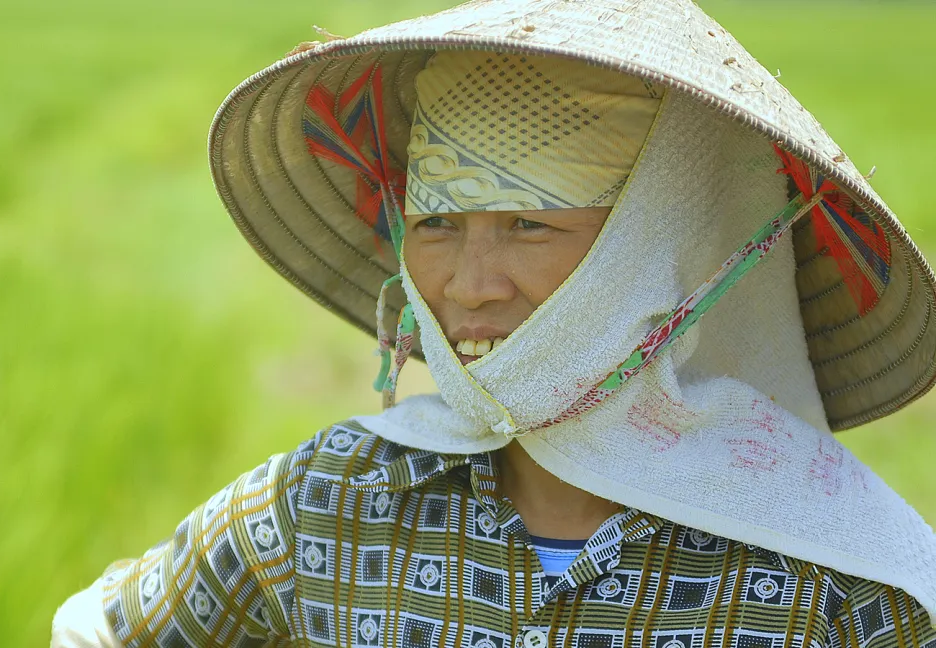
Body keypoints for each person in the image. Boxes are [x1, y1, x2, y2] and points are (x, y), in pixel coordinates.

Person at [52, 0, 936, 646]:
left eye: (530, 225)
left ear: (665, 244)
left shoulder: (839, 588)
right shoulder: (331, 504)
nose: (469, 286)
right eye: (437, 224)